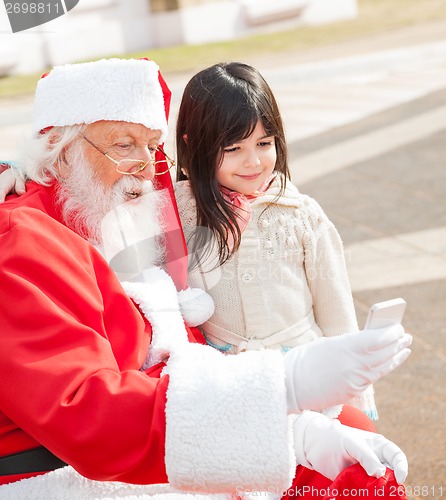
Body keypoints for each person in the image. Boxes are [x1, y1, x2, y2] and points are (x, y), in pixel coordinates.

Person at [0, 58, 412, 500]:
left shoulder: (99, 209)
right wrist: (283, 392)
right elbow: (85, 412)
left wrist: (294, 423)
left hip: (156, 425)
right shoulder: (23, 239)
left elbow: (172, 348)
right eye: (124, 144)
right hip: (71, 470)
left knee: (362, 467)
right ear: (61, 150)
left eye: (152, 146)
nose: (144, 164)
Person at [174, 61, 377, 419]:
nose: (253, 162)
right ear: (195, 145)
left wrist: (357, 391)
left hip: (306, 379)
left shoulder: (302, 214)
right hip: (225, 387)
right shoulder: (179, 214)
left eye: (264, 143)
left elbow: (337, 314)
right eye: (233, 148)